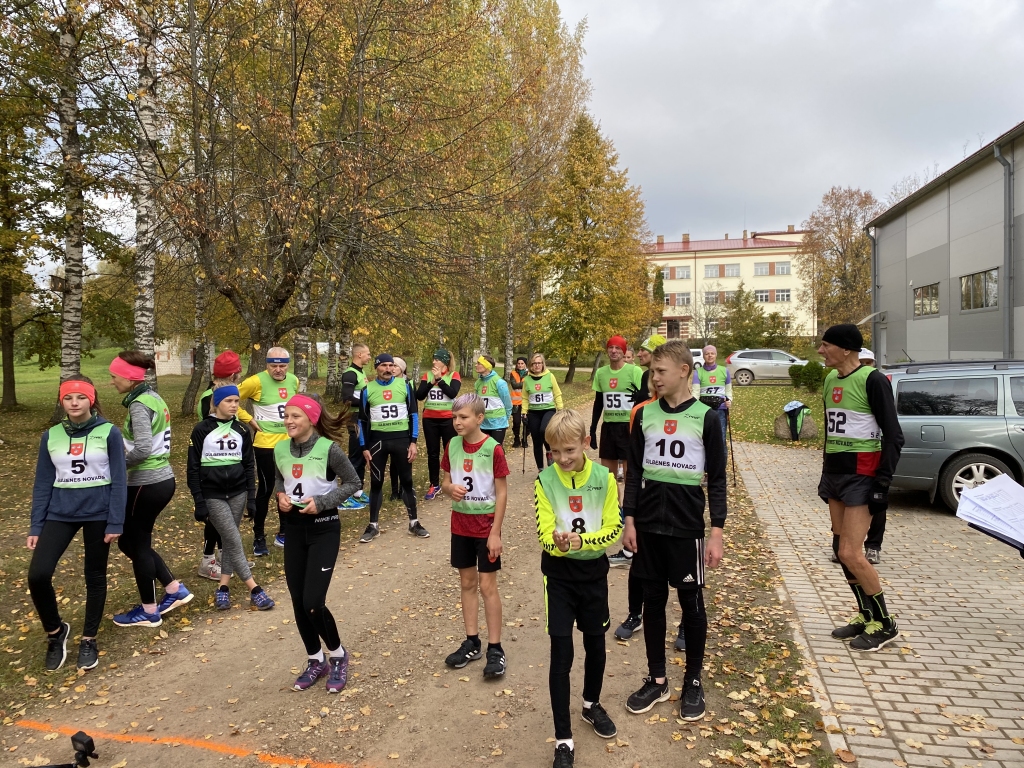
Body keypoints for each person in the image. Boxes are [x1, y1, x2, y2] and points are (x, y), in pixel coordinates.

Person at [622, 340, 727, 721]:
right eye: (652, 372)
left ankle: (694, 680)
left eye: (660, 371)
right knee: (652, 601)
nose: (654, 377)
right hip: (648, 526)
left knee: (691, 603)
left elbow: (717, 479)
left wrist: (716, 531)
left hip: (686, 527)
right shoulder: (645, 414)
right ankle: (657, 678)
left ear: (684, 371)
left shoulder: (706, 417)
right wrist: (628, 519)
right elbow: (634, 473)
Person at [535, 410, 621, 768]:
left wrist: (581, 540)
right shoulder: (544, 480)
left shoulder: (605, 477)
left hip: (593, 576)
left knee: (595, 643)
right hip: (558, 577)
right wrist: (559, 544)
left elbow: (613, 528)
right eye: (555, 452)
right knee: (561, 653)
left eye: (569, 450)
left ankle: (591, 704)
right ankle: (564, 739)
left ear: (586, 444)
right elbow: (544, 533)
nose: (563, 459)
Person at [28, 377, 126, 671]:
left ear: (91, 400)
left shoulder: (109, 432)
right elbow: (43, 482)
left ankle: (88, 639)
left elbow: (120, 480)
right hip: (60, 512)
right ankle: (56, 633)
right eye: (68, 398)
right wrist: (36, 525)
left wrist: (115, 521)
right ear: (62, 401)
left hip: (99, 513)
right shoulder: (51, 436)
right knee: (38, 574)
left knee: (94, 576)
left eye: (80, 398)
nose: (74, 403)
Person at [818, 325, 904, 652]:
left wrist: (882, 483)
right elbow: (831, 430)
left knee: (851, 553)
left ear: (847, 349)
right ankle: (865, 613)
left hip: (862, 475)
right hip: (836, 474)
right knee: (842, 552)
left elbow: (894, 436)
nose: (821, 351)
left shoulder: (873, 380)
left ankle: (885, 623)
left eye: (826, 346)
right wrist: (826, 474)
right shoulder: (829, 380)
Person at [275, 394, 361, 692]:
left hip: (324, 528)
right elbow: (279, 480)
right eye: (286, 415)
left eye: (294, 416)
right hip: (295, 530)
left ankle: (338, 656)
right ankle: (316, 660)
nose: (288, 421)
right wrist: (281, 497)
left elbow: (353, 483)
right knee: (299, 601)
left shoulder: (329, 450)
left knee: (313, 602)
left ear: (310, 419)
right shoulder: (280, 448)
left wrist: (323, 502)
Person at [108, 351, 191, 629]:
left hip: (147, 481)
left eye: (114, 377)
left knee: (138, 545)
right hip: (158, 480)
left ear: (130, 378)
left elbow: (143, 448)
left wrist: (117, 464)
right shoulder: (152, 396)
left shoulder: (138, 405)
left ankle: (149, 611)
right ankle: (173, 589)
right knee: (128, 542)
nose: (111, 382)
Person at [187, 384, 275, 612]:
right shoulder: (201, 430)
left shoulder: (243, 430)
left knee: (229, 541)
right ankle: (254, 588)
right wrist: (199, 500)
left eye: (237, 401)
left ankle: (223, 589)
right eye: (229, 401)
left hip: (238, 492)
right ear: (216, 403)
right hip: (213, 494)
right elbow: (192, 468)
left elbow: (249, 466)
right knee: (233, 539)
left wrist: (252, 498)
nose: (234, 405)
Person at [441, 394, 509, 678]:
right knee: (467, 582)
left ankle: (496, 648)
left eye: (463, 417)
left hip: (485, 527)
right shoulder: (452, 445)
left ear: (479, 418)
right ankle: (472, 641)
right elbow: (444, 481)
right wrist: (449, 489)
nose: (457, 422)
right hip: (461, 525)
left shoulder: (493, 448)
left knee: (487, 585)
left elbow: (502, 492)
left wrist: (496, 532)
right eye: (455, 417)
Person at [195, 349, 255, 582]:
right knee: (216, 519)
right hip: (214, 468)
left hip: (232, 471)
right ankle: (209, 558)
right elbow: (209, 428)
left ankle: (227, 556)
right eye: (238, 372)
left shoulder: (226, 393)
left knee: (228, 523)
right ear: (233, 375)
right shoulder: (210, 396)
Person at [358, 353, 428, 542]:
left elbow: (414, 414)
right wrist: (364, 447)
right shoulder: (367, 390)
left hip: (401, 440)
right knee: (376, 483)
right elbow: (362, 421)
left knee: (407, 481)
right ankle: (373, 526)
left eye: (391, 365)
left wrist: (413, 442)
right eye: (384, 366)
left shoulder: (404, 386)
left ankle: (414, 522)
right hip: (377, 443)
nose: (388, 369)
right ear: (376, 367)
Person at [238, 347, 300, 554]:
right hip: (265, 445)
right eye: (274, 366)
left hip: (289, 444)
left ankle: (284, 533)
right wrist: (248, 419)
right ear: (267, 364)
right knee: (266, 488)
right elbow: (229, 398)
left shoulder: (293, 380)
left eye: (282, 366)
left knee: (288, 488)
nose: (278, 370)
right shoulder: (255, 381)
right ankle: (259, 537)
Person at [831, 348, 886, 565]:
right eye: (861, 361)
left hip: (871, 458)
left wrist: (884, 476)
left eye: (868, 362)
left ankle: (873, 546)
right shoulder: (838, 381)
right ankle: (842, 544)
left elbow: (892, 429)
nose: (864, 365)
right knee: (844, 505)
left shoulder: (875, 382)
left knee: (876, 505)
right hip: (844, 462)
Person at [590, 335, 642, 502]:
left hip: (628, 426)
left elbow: (643, 402)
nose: (613, 351)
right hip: (609, 427)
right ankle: (615, 509)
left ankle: (630, 509)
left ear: (624, 351)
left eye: (618, 348)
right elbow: (599, 402)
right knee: (609, 475)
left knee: (629, 473)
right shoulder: (601, 373)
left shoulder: (634, 371)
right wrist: (592, 428)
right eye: (611, 347)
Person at [417, 349, 462, 500]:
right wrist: (432, 381)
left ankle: (452, 481)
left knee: (450, 451)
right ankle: (434, 484)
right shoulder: (427, 375)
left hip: (448, 418)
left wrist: (440, 379)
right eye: (433, 359)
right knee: (433, 452)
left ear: (445, 361)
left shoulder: (453, 375)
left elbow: (452, 393)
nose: (434, 362)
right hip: (430, 418)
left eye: (437, 359)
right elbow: (420, 395)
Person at [340, 343, 372, 509]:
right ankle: (344, 496)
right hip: (354, 418)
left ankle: (357, 492)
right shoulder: (350, 374)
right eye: (367, 354)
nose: (369, 357)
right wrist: (368, 403)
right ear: (359, 354)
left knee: (361, 455)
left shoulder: (360, 372)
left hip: (362, 417)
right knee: (355, 456)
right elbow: (347, 398)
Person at [522, 353, 564, 471]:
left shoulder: (550, 376)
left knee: (543, 430)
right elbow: (525, 397)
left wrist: (560, 409)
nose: (537, 366)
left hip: (548, 410)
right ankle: (541, 469)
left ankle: (549, 451)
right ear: (531, 365)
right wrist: (524, 412)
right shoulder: (527, 379)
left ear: (543, 364)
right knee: (536, 440)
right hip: (533, 411)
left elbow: (557, 393)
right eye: (534, 363)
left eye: (539, 363)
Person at [694, 345, 732, 448]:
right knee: (704, 439)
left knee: (721, 440)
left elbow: (728, 390)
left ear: (716, 355)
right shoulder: (698, 372)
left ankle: (721, 464)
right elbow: (696, 392)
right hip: (704, 409)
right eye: (707, 353)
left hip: (720, 409)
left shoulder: (724, 371)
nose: (710, 356)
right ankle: (707, 463)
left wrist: (729, 400)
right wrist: (693, 405)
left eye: (712, 353)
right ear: (703, 356)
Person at [475, 355, 512, 444]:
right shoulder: (478, 383)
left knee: (496, 451)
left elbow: (507, 403)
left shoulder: (499, 382)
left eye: (479, 363)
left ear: (486, 365)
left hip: (498, 424)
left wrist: (504, 419)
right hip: (483, 423)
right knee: (484, 452)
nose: (476, 365)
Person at [509, 356, 528, 449]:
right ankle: (516, 439)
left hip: (526, 403)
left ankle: (525, 439)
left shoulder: (530, 374)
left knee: (527, 423)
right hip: (515, 403)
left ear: (525, 364)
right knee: (516, 422)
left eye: (522, 363)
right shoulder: (513, 373)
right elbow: (514, 385)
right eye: (519, 363)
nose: (520, 365)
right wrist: (525, 384)